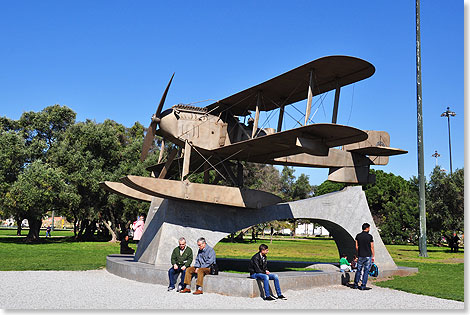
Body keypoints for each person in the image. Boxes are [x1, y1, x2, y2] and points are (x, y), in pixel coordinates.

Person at [353, 222, 375, 290]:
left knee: (358, 270)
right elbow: (372, 247)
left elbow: (356, 246)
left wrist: (357, 253)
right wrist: (373, 255)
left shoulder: (358, 236)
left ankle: (355, 284)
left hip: (360, 255)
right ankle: (363, 285)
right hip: (368, 255)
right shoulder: (370, 236)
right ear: (367, 228)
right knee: (366, 271)